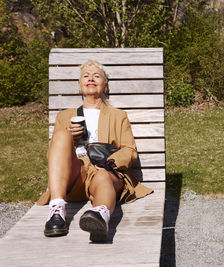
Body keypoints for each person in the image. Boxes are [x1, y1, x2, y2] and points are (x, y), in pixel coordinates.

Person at [37, 59, 153, 242]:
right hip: (75, 175)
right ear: (79, 85)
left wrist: (109, 163)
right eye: (86, 75)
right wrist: (70, 139)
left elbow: (129, 150)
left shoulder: (118, 116)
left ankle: (100, 217)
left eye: (97, 75)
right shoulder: (65, 115)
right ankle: (57, 211)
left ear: (105, 86)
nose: (91, 78)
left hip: (104, 173)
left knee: (103, 176)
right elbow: (53, 154)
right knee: (61, 135)